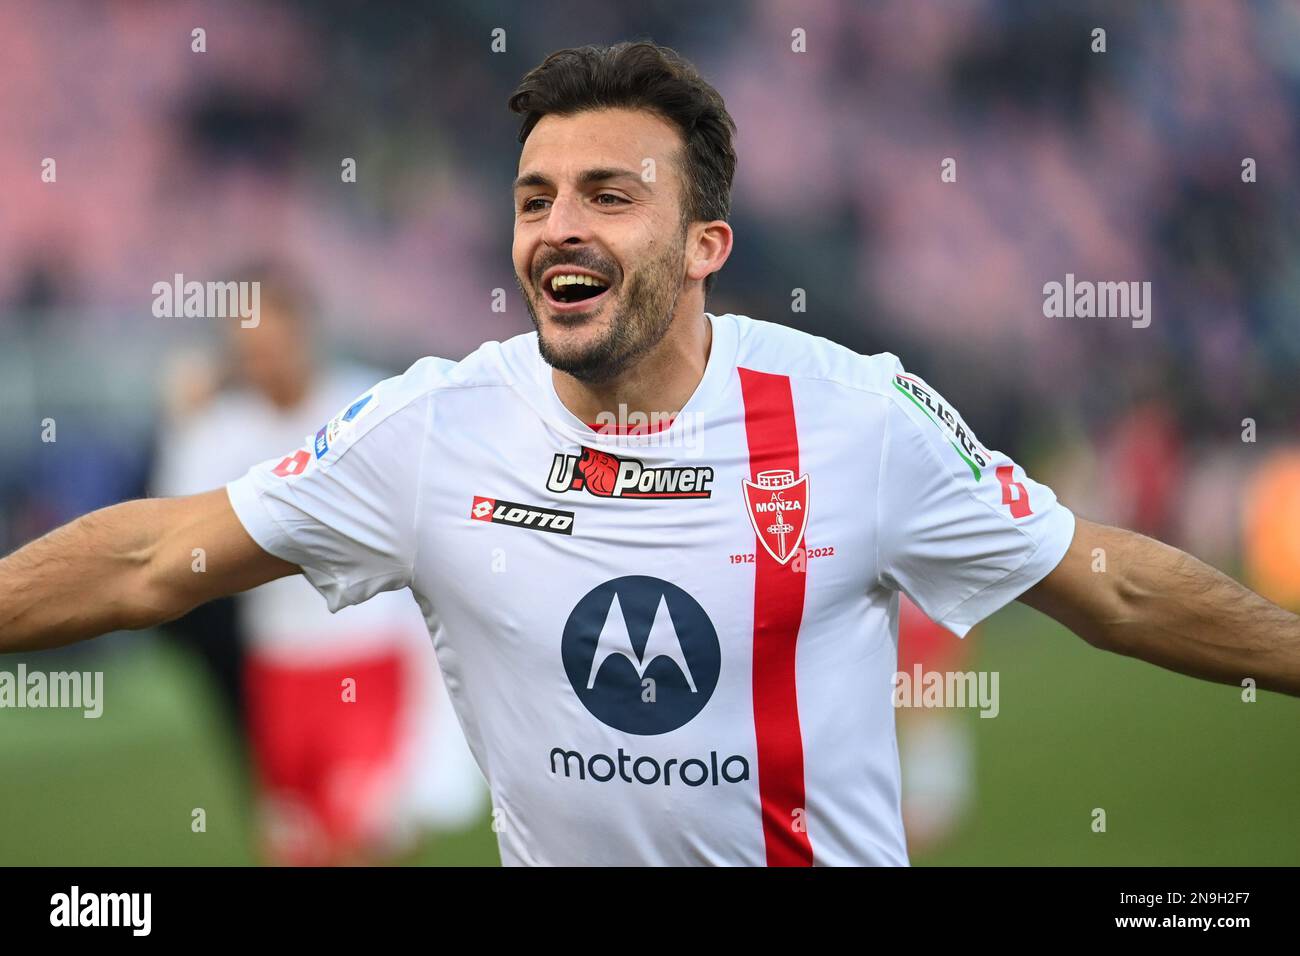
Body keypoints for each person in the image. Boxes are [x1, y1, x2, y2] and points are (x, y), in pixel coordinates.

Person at [2, 41, 1297, 867]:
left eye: (610, 196)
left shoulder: (858, 416)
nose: (558, 228)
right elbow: (147, 559)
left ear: (705, 246)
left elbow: (1108, 586)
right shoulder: (430, 428)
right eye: (532, 199)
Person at [152, 267, 486, 865]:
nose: (266, 362)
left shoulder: (370, 408)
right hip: (277, 668)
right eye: (250, 350)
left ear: (306, 331)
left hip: (366, 659)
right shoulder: (219, 431)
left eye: (276, 343)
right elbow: (178, 547)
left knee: (362, 842)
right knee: (293, 847)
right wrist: (181, 424)